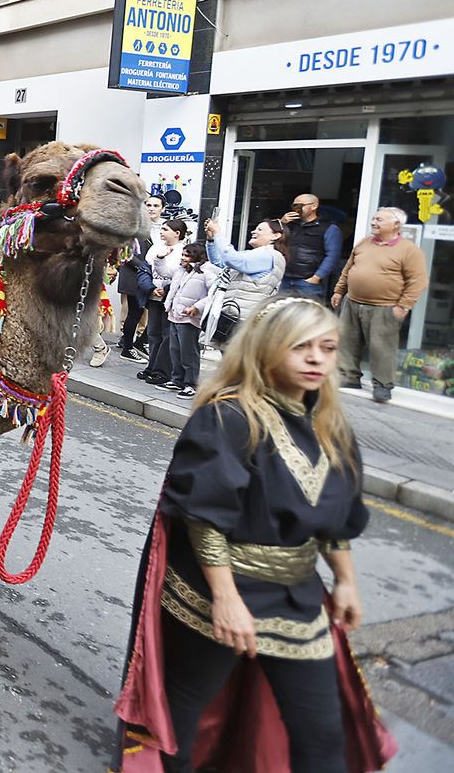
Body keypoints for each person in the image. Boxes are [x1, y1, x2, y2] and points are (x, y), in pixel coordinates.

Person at [112, 298, 391, 773]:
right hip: (214, 589)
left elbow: (335, 515)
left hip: (295, 596)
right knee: (180, 721)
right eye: (300, 346)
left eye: (327, 348)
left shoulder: (331, 426)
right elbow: (204, 517)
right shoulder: (227, 418)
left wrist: (345, 580)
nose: (316, 358)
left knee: (323, 733)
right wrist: (226, 599)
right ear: (266, 347)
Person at [332, 206, 428, 404]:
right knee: (347, 342)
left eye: (379, 220)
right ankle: (349, 377)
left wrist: (404, 305)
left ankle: (383, 385)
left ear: (396, 225)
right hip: (353, 301)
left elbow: (418, 281)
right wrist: (339, 291)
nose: (373, 222)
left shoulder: (409, 250)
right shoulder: (364, 243)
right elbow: (348, 269)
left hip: (384, 306)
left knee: (381, 347)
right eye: (374, 218)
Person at [201, 217, 287, 346]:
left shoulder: (269, 255)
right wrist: (211, 239)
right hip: (237, 318)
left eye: (260, 229)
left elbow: (231, 259)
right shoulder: (257, 254)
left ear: (275, 236)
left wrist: (218, 233)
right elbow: (220, 262)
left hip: (243, 320)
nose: (253, 231)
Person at [139, 219, 189, 386]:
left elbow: (181, 276)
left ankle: (162, 371)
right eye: (161, 228)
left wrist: (166, 289)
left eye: (166, 229)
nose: (161, 232)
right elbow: (145, 270)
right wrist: (150, 288)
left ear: (177, 233)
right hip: (154, 297)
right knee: (153, 333)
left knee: (167, 336)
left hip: (171, 299)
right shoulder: (155, 248)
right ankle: (151, 366)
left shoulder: (183, 251)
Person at [161, 242, 213, 398]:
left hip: (190, 318)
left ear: (196, 256)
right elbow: (162, 270)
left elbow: (214, 293)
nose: (183, 258)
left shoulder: (207, 271)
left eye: (187, 255)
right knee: (175, 350)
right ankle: (177, 380)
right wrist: (159, 258)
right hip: (175, 315)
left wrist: (197, 306)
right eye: (182, 255)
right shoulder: (181, 270)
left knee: (188, 353)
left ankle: (191, 383)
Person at [280, 193, 343, 298]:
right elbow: (273, 240)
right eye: (294, 206)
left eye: (300, 205)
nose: (296, 209)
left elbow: (333, 256)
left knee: (307, 309)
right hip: (284, 278)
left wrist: (316, 277)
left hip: (307, 282)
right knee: (281, 308)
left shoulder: (329, 228)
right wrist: (281, 223)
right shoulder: (290, 224)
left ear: (314, 206)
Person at [117, 236, 155, 363]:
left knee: (142, 313)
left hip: (143, 278)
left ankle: (139, 342)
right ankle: (127, 348)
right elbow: (126, 256)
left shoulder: (145, 235)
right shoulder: (130, 235)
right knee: (134, 313)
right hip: (133, 279)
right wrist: (147, 268)